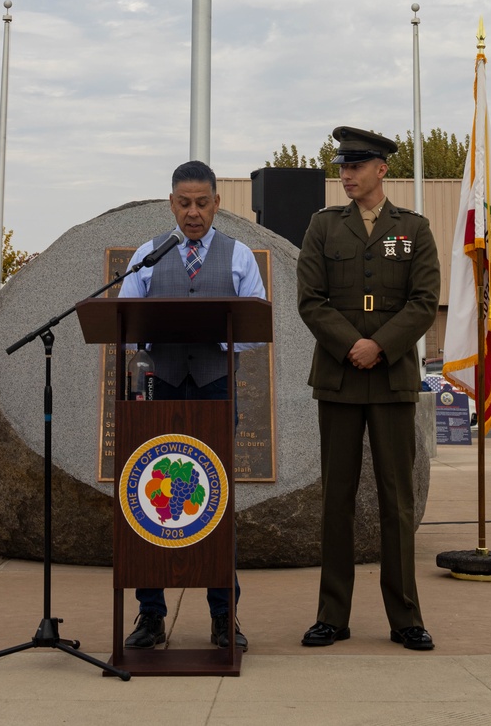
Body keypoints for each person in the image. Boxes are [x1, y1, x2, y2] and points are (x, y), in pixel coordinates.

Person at [296, 126, 440, 653]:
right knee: (336, 499)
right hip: (338, 379)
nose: (346, 175)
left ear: (382, 169)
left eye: (356, 166)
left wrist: (378, 346)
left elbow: (424, 302)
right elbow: (310, 299)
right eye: (342, 166)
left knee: (397, 501)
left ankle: (405, 617)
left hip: (391, 378)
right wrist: (351, 345)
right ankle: (332, 615)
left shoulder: (413, 229)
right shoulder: (322, 227)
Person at [118, 160, 266, 652]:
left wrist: (217, 340)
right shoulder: (147, 254)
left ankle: (225, 618)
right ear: (171, 203)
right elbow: (123, 320)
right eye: (184, 203)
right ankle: (150, 615)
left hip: (214, 389)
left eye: (203, 203)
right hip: (160, 390)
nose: (193, 213)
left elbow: (253, 327)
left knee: (216, 504)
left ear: (217, 204)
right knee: (149, 501)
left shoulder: (239, 255)